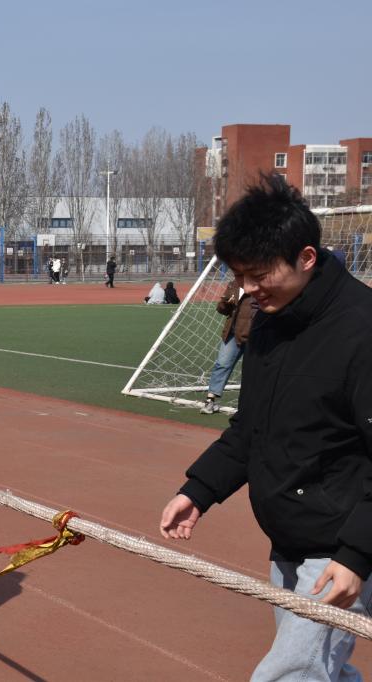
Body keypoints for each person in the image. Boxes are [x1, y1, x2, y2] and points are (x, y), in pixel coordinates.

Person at [159, 175, 372, 681]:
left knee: (289, 674)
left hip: (343, 542)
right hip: (288, 538)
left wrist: (357, 554)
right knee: (321, 671)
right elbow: (249, 427)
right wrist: (199, 490)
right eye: (240, 277)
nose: (249, 290)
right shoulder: (271, 322)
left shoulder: (362, 330)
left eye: (258, 275)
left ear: (306, 257)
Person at [199, 283, 256, 414]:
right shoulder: (233, 285)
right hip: (232, 334)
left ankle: (252, 405)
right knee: (222, 364)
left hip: (253, 334)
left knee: (253, 370)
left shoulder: (259, 284)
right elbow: (221, 309)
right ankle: (210, 400)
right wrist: (225, 303)